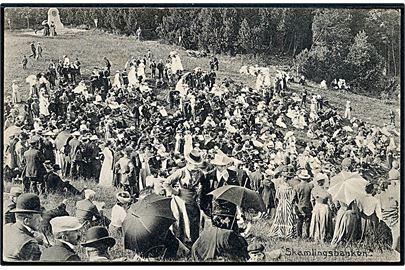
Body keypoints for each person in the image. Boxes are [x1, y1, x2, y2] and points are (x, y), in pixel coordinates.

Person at [164, 149, 206, 244]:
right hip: (181, 199)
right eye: (193, 164)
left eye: (197, 164)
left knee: (194, 219)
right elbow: (166, 183)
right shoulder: (181, 172)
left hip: (193, 199)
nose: (195, 167)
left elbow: (204, 185)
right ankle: (182, 240)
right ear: (188, 162)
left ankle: (195, 240)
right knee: (181, 220)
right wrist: (175, 192)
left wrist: (199, 193)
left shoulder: (200, 173)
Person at [3, 193, 43, 261]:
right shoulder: (30, 244)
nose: (41, 220)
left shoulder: (5, 228)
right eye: (38, 218)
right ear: (26, 221)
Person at [268, 166, 297, 239]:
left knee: (280, 217)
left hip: (281, 203)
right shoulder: (291, 189)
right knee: (288, 218)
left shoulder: (280, 187)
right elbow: (292, 199)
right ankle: (287, 232)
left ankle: (279, 231)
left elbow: (277, 197)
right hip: (287, 204)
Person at [309, 174, 332, 243]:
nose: (320, 182)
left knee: (321, 221)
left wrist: (314, 206)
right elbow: (330, 202)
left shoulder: (315, 190)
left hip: (319, 206)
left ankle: (321, 237)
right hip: (322, 207)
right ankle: (320, 237)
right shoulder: (326, 191)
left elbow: (312, 200)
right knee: (320, 221)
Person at [294, 170, 314, 239]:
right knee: (308, 221)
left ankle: (299, 236)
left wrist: (297, 203)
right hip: (308, 205)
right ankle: (307, 235)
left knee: (300, 221)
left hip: (299, 205)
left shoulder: (297, 187)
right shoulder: (310, 186)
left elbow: (295, 198)